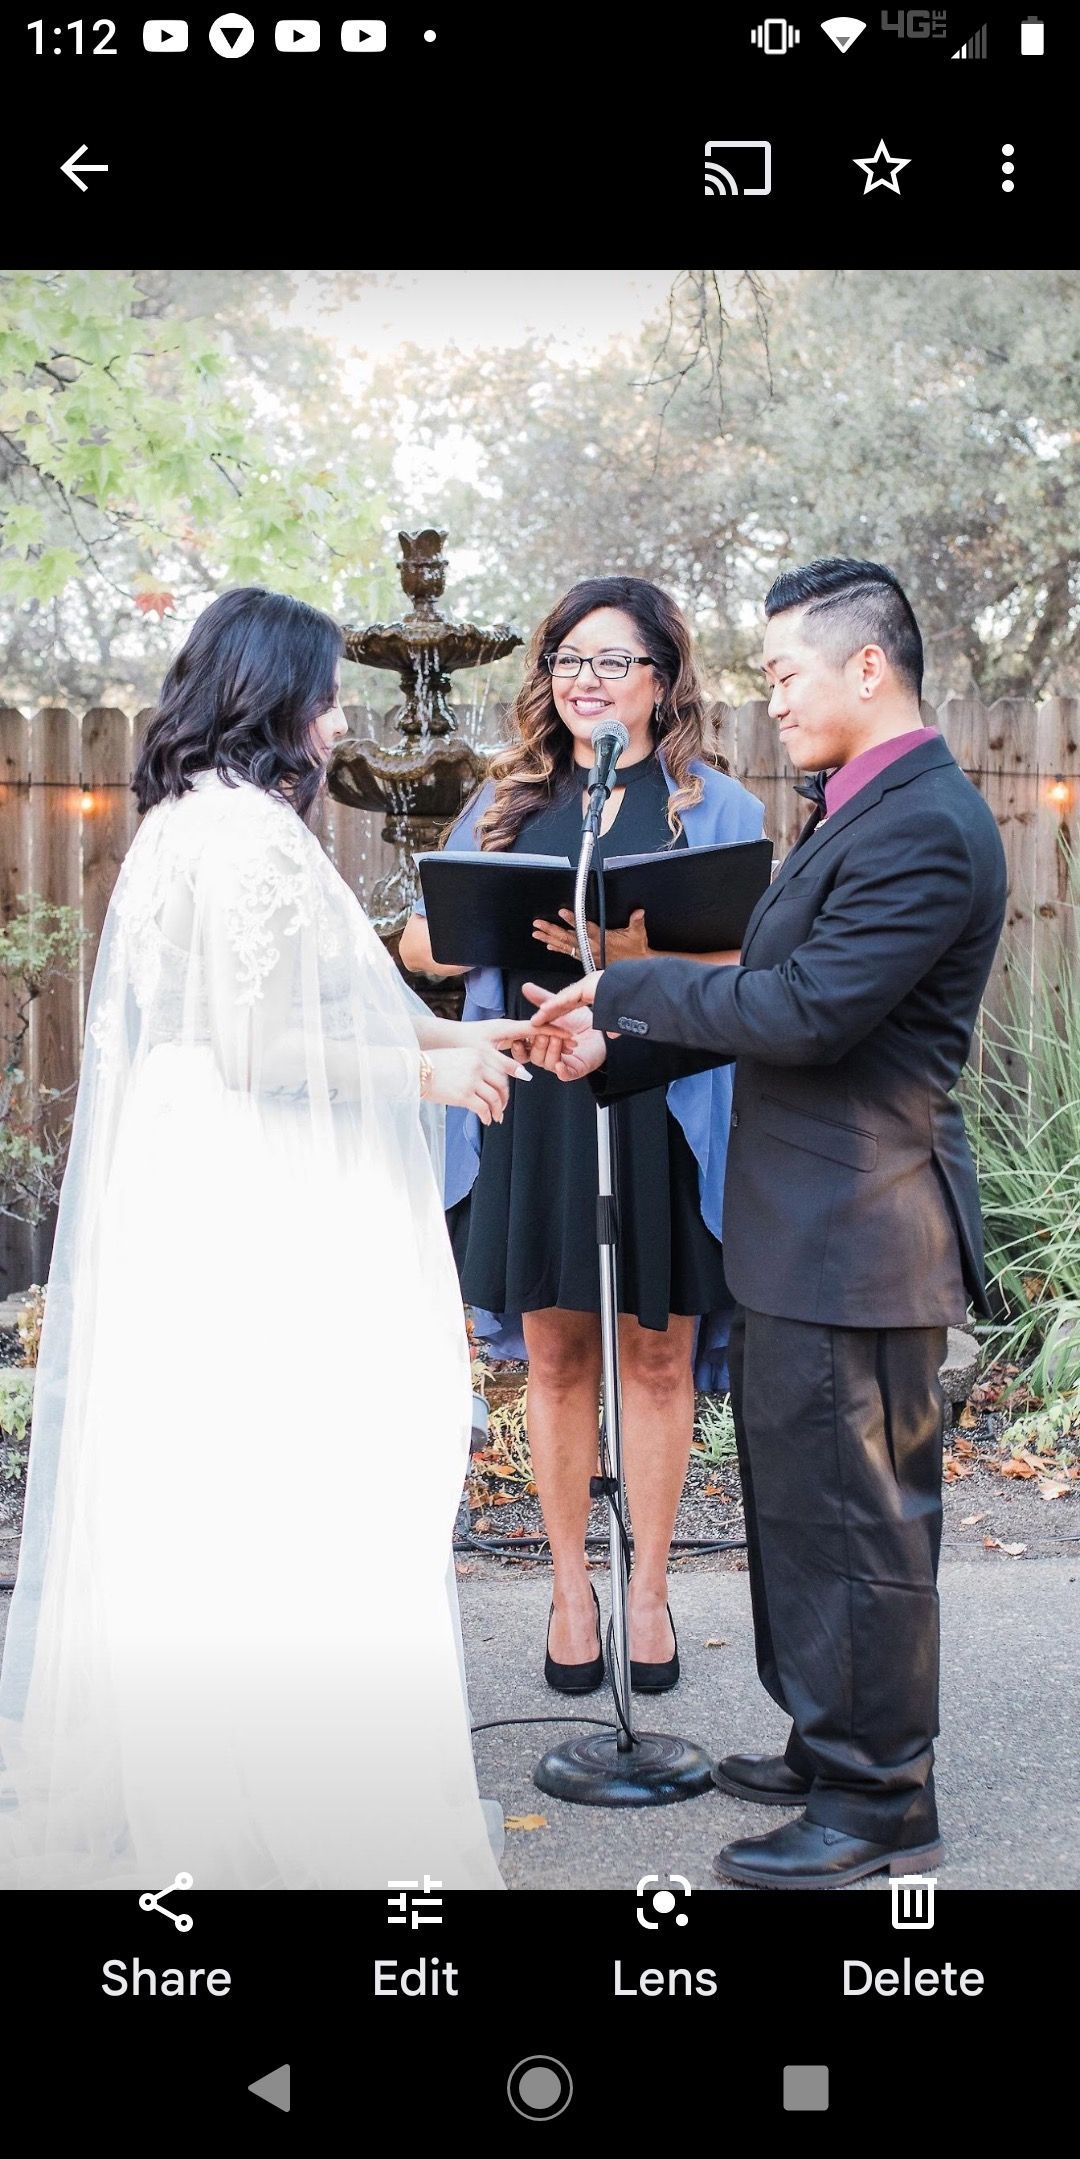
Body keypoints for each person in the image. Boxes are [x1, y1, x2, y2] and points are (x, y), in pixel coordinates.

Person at [0, 585, 543, 1890]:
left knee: (223, 1465)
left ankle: (222, 1762)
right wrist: (426, 1076)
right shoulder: (246, 838)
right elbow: (254, 1048)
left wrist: (475, 1033)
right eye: (327, 695)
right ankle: (291, 1786)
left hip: (197, 1172)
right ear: (278, 698)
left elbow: (338, 995)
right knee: (299, 1460)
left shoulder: (187, 824)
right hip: (253, 1186)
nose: (340, 719)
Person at [527, 558, 1008, 1888]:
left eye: (789, 674)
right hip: (806, 1228)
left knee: (862, 1529)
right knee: (802, 1514)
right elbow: (772, 999)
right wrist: (615, 1052)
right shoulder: (863, 809)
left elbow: (806, 1013)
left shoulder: (923, 824)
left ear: (871, 667)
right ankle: (824, 1743)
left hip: (866, 1231)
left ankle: (878, 1800)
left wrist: (624, 993)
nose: (775, 699)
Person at [400, 576, 764, 1693]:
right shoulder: (505, 800)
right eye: (568, 660)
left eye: (612, 661)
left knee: (656, 1356)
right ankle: (569, 1589)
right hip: (538, 1099)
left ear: (662, 679)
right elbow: (418, 943)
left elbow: (761, 963)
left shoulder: (716, 806)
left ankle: (647, 1590)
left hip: (664, 1099)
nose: (585, 681)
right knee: (555, 1357)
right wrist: (481, 931)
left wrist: (634, 952)